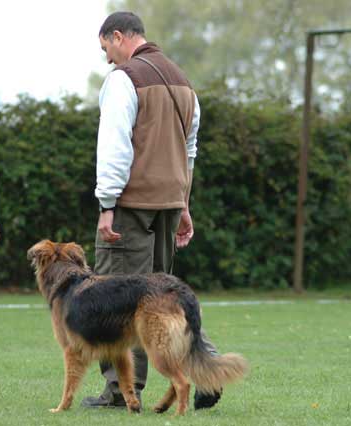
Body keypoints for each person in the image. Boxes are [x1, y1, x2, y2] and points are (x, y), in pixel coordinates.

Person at [81, 11, 222, 411]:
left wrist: (107, 204)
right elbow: (189, 151)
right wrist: (183, 204)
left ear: (118, 36)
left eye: (106, 47)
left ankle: (119, 391)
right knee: (161, 302)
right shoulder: (182, 81)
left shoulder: (124, 79)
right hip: (169, 205)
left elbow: (114, 146)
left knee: (116, 301)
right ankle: (207, 370)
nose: (107, 57)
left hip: (132, 206)